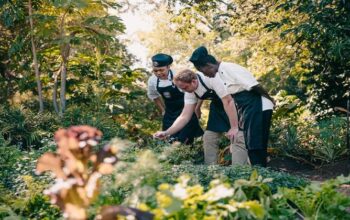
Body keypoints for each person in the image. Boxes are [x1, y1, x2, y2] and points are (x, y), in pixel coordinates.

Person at [189, 46, 274, 167]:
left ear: (209, 65)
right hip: (246, 107)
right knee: (250, 143)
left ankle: (261, 174)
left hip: (258, 104)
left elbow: (255, 86)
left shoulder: (229, 68)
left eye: (204, 72)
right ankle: (255, 175)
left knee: (256, 143)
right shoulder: (220, 73)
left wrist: (270, 99)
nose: (206, 76)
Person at [154, 69, 242, 164]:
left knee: (238, 137)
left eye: (185, 88)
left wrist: (234, 127)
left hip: (235, 103)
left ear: (194, 81)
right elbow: (184, 116)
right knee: (209, 137)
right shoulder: (189, 91)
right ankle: (210, 170)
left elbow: (228, 101)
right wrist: (166, 132)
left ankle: (239, 171)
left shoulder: (210, 77)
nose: (184, 91)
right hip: (217, 107)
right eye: (181, 89)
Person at [147, 53, 203, 144]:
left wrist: (197, 108)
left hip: (186, 109)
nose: (158, 73)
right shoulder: (152, 80)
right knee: (168, 140)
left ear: (168, 67)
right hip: (170, 113)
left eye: (161, 70)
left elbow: (197, 90)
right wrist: (163, 110)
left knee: (186, 140)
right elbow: (154, 96)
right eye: (155, 71)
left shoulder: (179, 75)